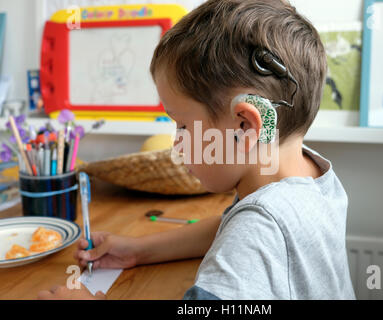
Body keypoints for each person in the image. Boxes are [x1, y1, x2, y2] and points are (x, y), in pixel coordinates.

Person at [38, 0, 355, 300]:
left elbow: (248, 232)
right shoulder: (310, 177)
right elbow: (230, 225)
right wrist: (139, 249)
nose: (177, 142)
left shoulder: (257, 230)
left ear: (244, 126)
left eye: (183, 125)